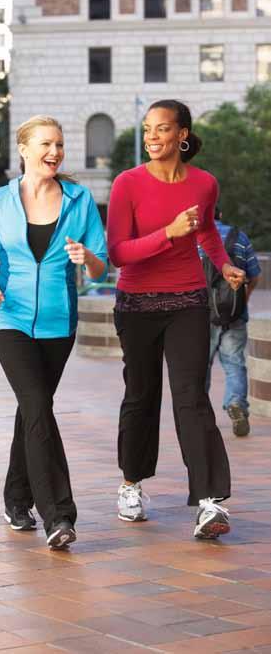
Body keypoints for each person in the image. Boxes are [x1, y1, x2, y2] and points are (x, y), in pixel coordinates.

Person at [107, 100, 245, 540]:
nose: (152, 137)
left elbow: (206, 232)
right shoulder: (127, 183)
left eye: (162, 129)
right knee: (141, 395)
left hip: (188, 300)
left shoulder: (204, 183)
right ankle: (131, 484)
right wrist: (168, 233)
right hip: (137, 304)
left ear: (182, 134)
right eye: (148, 129)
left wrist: (224, 265)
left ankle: (209, 500)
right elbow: (118, 252)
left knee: (192, 396)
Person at [0, 115, 107, 550]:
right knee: (35, 404)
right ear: (24, 149)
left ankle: (16, 499)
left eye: (60, 145)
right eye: (46, 144)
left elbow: (101, 265)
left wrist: (86, 257)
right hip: (8, 319)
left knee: (34, 409)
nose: (55, 152)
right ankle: (59, 515)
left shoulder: (79, 200)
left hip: (58, 323)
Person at [204, 207, 261, 437]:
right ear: (219, 215)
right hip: (235, 313)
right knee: (234, 363)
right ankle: (236, 403)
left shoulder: (193, 240)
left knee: (200, 365)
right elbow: (254, 275)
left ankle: (199, 413)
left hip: (202, 314)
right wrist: (243, 300)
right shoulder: (239, 237)